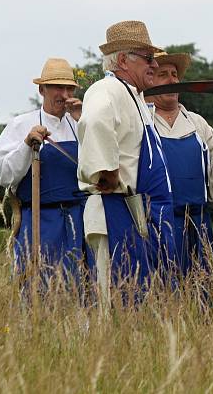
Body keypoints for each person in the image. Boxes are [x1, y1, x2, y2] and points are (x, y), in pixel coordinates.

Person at [77, 20, 174, 302]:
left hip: (135, 217)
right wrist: (105, 170)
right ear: (122, 60)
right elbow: (94, 120)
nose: (154, 65)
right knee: (115, 302)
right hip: (115, 213)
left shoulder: (135, 98)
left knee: (137, 301)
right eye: (148, 59)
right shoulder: (107, 90)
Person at [0, 58, 87, 287]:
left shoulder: (81, 123)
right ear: (42, 89)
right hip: (38, 220)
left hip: (78, 220)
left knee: (79, 287)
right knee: (36, 286)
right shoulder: (20, 124)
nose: (63, 94)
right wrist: (26, 145)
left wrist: (85, 123)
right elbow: (3, 175)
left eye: (68, 88)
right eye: (57, 87)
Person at [146, 51, 213, 280]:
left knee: (200, 291)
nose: (171, 80)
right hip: (160, 224)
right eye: (163, 75)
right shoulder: (143, 123)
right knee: (163, 288)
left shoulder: (197, 124)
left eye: (174, 74)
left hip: (198, 224)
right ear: (151, 82)